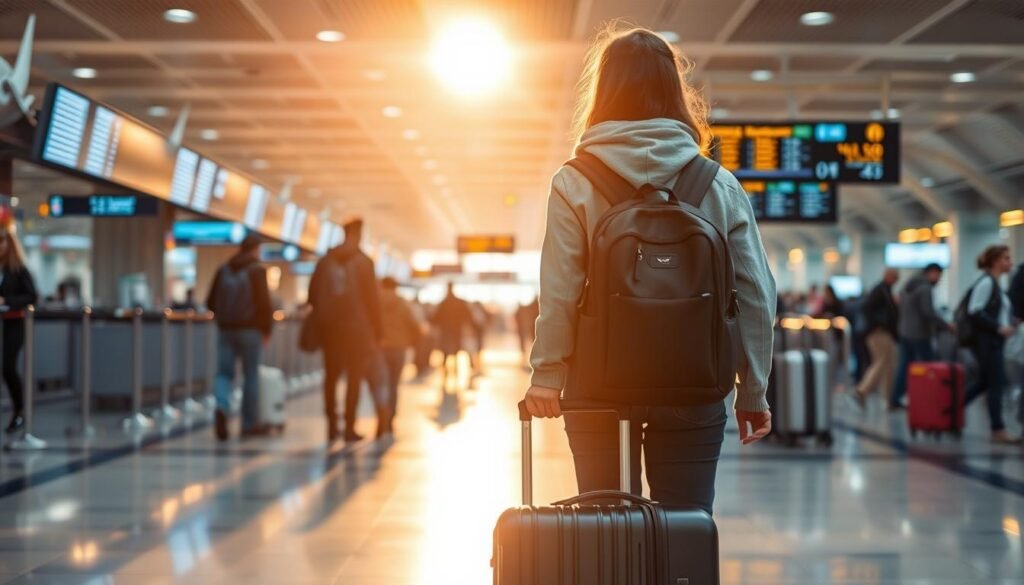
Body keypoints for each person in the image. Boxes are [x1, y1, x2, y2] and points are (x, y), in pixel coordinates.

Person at [523, 26, 775, 513]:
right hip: (695, 382)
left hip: (597, 385)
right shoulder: (718, 184)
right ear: (674, 93)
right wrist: (754, 390)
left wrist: (547, 376)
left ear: (603, 91)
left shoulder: (575, 182)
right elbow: (756, 294)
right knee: (685, 526)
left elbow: (559, 291)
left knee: (608, 533)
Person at [308, 218, 384, 443]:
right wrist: (378, 333)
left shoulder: (325, 261)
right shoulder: (365, 263)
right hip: (356, 332)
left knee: (331, 377)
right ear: (358, 234)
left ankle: (332, 425)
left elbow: (312, 294)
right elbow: (373, 301)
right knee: (354, 378)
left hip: (330, 330)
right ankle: (349, 426)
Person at [206, 234, 273, 441]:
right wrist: (266, 330)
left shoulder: (224, 269)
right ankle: (248, 423)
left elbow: (210, 301)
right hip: (250, 330)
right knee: (250, 375)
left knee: (223, 374)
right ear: (254, 250)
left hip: (225, 330)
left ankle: (221, 407)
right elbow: (264, 304)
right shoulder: (257, 271)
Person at [963, 245, 1021, 444]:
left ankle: (951, 410)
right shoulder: (986, 283)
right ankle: (998, 429)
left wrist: (1010, 322)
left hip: (993, 342)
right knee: (996, 383)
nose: (1010, 263)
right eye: (1006, 258)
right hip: (987, 344)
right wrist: (998, 327)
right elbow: (975, 312)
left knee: (984, 383)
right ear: (996, 261)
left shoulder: (995, 284)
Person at [888, 264, 950, 410]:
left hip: (904, 331)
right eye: (939, 275)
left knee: (904, 366)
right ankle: (929, 397)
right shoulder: (925, 288)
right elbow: (928, 312)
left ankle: (895, 398)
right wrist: (945, 325)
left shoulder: (908, 286)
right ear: (932, 272)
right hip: (919, 333)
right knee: (929, 365)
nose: (939, 280)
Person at [0, 227, 37, 434]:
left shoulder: (18, 269)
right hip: (3, 322)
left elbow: (31, 296)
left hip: (15, 323)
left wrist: (7, 301)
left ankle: (20, 410)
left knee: (8, 366)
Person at [852, 268, 900, 409]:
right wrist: (878, 324)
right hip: (879, 333)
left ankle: (888, 397)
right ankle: (862, 390)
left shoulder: (884, 290)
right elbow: (869, 309)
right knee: (882, 362)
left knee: (888, 365)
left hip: (880, 332)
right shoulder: (881, 291)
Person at [378, 277, 420, 431]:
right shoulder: (402, 303)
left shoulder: (375, 301)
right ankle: (391, 416)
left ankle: (381, 412)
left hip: (380, 348)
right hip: (399, 347)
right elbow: (413, 323)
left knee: (381, 383)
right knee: (393, 383)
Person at [430, 282, 475, 392]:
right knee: (455, 353)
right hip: (456, 332)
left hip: (446, 333)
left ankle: (446, 375)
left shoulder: (444, 303)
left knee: (445, 354)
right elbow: (468, 315)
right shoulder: (459, 302)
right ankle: (454, 375)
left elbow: (435, 318)